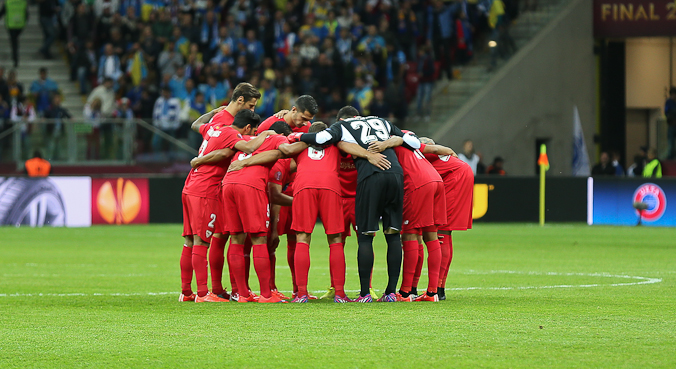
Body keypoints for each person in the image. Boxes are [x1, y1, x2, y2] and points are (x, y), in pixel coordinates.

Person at [290, 106, 420, 302]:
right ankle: (391, 292)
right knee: (393, 235)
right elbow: (413, 142)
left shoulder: (343, 126)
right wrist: (390, 142)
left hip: (370, 178)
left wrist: (296, 138)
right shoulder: (381, 121)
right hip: (395, 174)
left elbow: (320, 139)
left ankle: (364, 294)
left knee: (365, 237)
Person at [180, 108, 276, 303]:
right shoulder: (233, 135)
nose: (252, 136)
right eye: (253, 132)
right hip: (205, 190)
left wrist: (213, 111)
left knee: (189, 240)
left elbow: (195, 124)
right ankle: (202, 294)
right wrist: (265, 134)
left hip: (190, 186)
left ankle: (186, 292)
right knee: (201, 241)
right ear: (248, 127)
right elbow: (248, 148)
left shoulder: (215, 128)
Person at [367, 132, 451, 302]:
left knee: (409, 234)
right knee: (431, 235)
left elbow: (398, 138)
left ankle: (405, 293)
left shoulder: (392, 139)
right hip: (435, 180)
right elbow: (432, 148)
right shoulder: (413, 145)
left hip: (418, 183)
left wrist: (383, 145)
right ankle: (432, 292)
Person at [277, 122, 350, 303]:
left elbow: (285, 147)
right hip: (330, 186)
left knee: (302, 237)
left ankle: (301, 294)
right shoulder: (336, 144)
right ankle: (339, 294)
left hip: (303, 186)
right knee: (335, 239)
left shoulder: (299, 144)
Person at [221, 119, 291, 303]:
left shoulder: (247, 139)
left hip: (228, 183)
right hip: (250, 185)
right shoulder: (278, 139)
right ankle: (266, 295)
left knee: (236, 237)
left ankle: (242, 294)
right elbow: (286, 150)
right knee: (259, 238)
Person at [419, 137, 473, 301]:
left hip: (456, 179)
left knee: (441, 230)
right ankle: (439, 287)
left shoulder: (420, 152)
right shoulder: (438, 155)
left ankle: (437, 288)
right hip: (461, 174)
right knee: (445, 231)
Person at [151, 87, 182, 153]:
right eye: (163, 92)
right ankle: (158, 158)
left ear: (169, 93)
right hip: (160, 126)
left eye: (165, 92)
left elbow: (178, 114)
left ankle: (172, 160)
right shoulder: (159, 101)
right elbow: (155, 113)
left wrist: (176, 126)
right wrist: (155, 124)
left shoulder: (175, 101)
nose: (164, 94)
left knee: (172, 144)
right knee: (155, 143)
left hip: (171, 127)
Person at [0, 0, 29, 67]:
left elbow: (2, 12)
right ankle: (15, 58)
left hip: (11, 25)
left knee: (14, 42)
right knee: (15, 41)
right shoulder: (23, 2)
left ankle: (15, 58)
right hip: (20, 25)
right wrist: (25, 22)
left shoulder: (8, 2)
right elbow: (27, 14)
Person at [665, 87, 676, 159]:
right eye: (672, 94)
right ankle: (670, 155)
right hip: (671, 124)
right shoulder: (668, 102)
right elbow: (666, 112)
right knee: (670, 141)